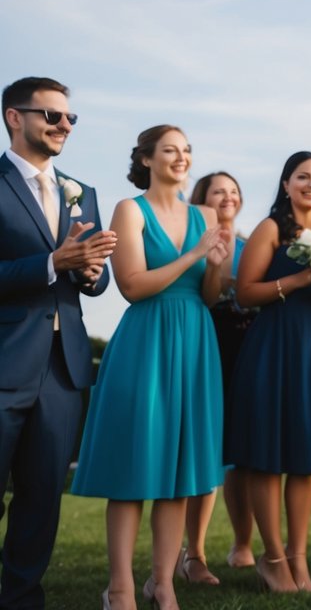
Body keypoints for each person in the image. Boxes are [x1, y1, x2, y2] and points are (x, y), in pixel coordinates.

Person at [72, 125, 228, 610]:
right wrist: (197, 254)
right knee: (135, 464)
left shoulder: (205, 213)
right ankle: (119, 586)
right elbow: (134, 285)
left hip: (196, 340)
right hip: (146, 341)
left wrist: (217, 264)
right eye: (170, 150)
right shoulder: (129, 209)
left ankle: (162, 583)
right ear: (145, 159)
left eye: (187, 151)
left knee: (179, 470)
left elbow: (209, 292)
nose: (181, 158)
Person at [0, 77, 115, 610]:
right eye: (52, 116)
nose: (64, 126)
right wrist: (52, 263)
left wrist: (91, 272)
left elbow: (95, 279)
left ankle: (23, 600)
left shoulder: (82, 191)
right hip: (4, 361)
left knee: (42, 498)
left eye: (70, 118)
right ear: (14, 118)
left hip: (63, 368)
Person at [226, 151, 311, 594]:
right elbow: (245, 292)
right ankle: (273, 559)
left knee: (305, 459)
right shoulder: (271, 229)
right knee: (267, 454)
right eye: (303, 177)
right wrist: (297, 281)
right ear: (285, 184)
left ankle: (300, 562)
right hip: (273, 345)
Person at [181, 171, 255, 583]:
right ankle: (194, 553)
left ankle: (243, 543)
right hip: (203, 345)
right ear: (202, 199)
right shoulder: (192, 240)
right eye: (217, 191)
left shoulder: (251, 246)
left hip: (246, 350)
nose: (227, 197)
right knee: (203, 447)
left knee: (241, 453)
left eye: (233, 190)